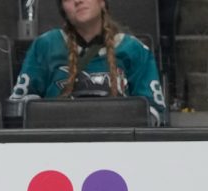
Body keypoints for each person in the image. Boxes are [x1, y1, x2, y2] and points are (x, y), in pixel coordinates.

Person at [10, 0, 167, 125]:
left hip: (119, 146)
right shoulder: (45, 46)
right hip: (57, 146)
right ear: (64, 10)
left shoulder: (134, 49)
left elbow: (155, 112)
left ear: (102, 2)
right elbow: (18, 107)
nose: (78, 1)